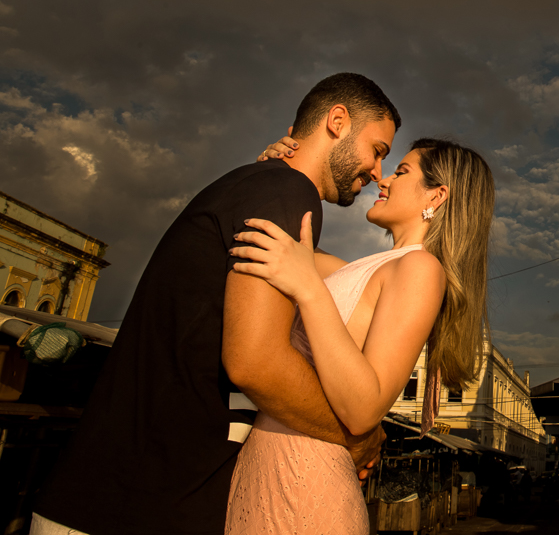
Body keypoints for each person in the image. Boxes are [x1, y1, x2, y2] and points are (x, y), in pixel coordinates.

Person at [32, 73, 399, 535]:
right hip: (131, 509)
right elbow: (256, 361)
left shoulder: (264, 188)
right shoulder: (287, 190)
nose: (377, 172)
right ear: (337, 121)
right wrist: (353, 435)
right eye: (378, 151)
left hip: (126, 502)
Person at [224, 136, 494, 534]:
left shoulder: (422, 269)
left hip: (304, 485)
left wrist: (308, 289)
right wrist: (273, 168)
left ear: (436, 196)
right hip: (270, 471)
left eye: (401, 172)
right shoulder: (363, 269)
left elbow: (365, 409)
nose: (383, 180)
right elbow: (276, 240)